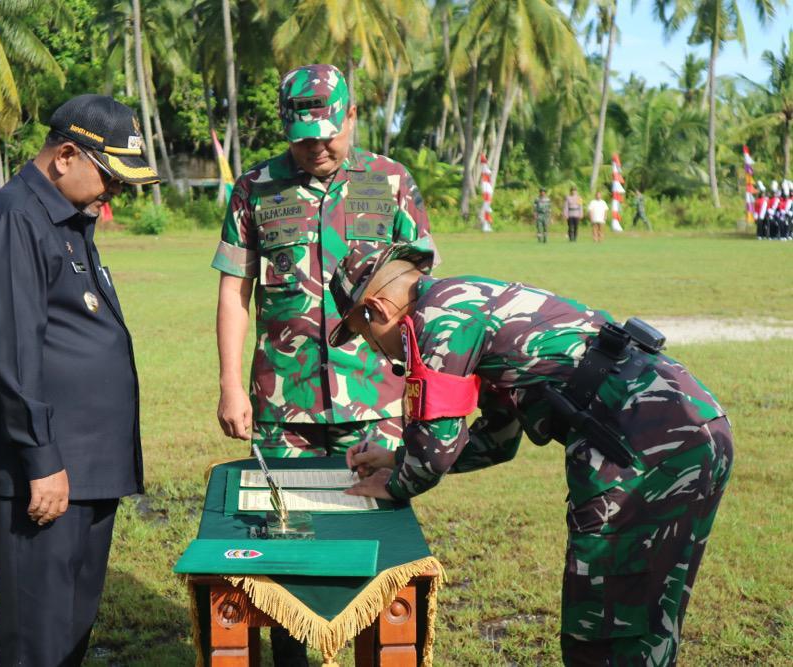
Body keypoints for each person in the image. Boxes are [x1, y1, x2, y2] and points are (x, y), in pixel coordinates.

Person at [328, 243, 733, 667]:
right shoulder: (468, 299)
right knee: (646, 619)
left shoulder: (438, 319)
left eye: (364, 335)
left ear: (376, 309)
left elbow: (434, 454)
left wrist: (394, 485)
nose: (376, 352)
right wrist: (395, 458)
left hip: (646, 452)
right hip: (691, 431)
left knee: (605, 633)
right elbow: (496, 440)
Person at [211, 63, 437, 665]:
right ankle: (293, 654)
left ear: (354, 116)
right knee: (285, 547)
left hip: (377, 400)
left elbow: (426, 297)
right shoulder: (255, 187)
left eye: (330, 132)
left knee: (379, 543)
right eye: (304, 135)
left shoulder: (391, 183)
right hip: (284, 403)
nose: (318, 145)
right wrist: (232, 385)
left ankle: (377, 651)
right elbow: (235, 291)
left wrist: (425, 387)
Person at [0, 94, 158, 667]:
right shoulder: (14, 217)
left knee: (68, 635)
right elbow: (12, 354)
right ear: (66, 154)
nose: (114, 194)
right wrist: (43, 460)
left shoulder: (65, 218)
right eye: (110, 178)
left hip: (85, 471)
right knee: (36, 643)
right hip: (40, 478)